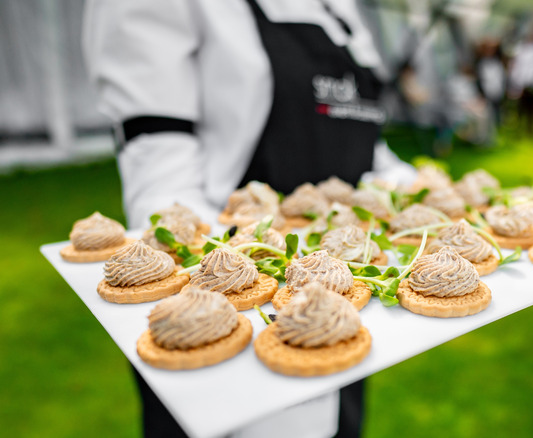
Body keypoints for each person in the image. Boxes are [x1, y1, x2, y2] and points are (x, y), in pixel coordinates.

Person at [82, 1, 415, 437]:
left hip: (350, 288)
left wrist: (412, 189)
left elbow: (367, 144)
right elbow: (162, 176)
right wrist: (219, 294)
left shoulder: (342, 7)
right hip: (227, 298)